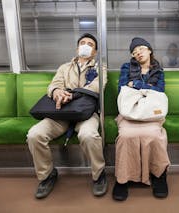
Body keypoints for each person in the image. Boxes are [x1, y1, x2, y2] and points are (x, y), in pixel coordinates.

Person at [27, 33, 107, 199]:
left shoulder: (100, 68)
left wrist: (72, 95)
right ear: (77, 48)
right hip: (61, 113)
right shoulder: (64, 68)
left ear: (95, 51)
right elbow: (54, 85)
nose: (85, 46)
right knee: (35, 135)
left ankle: (98, 174)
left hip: (87, 113)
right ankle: (47, 175)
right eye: (82, 43)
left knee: (89, 135)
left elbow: (97, 87)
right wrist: (57, 92)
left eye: (90, 44)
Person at [112, 37, 171, 201]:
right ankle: (122, 179)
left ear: (150, 50)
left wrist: (136, 85)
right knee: (125, 136)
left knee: (155, 136)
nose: (138, 52)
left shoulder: (158, 71)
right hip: (129, 112)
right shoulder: (126, 67)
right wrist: (147, 89)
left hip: (152, 113)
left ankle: (159, 175)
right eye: (134, 51)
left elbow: (160, 91)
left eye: (141, 49)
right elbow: (122, 89)